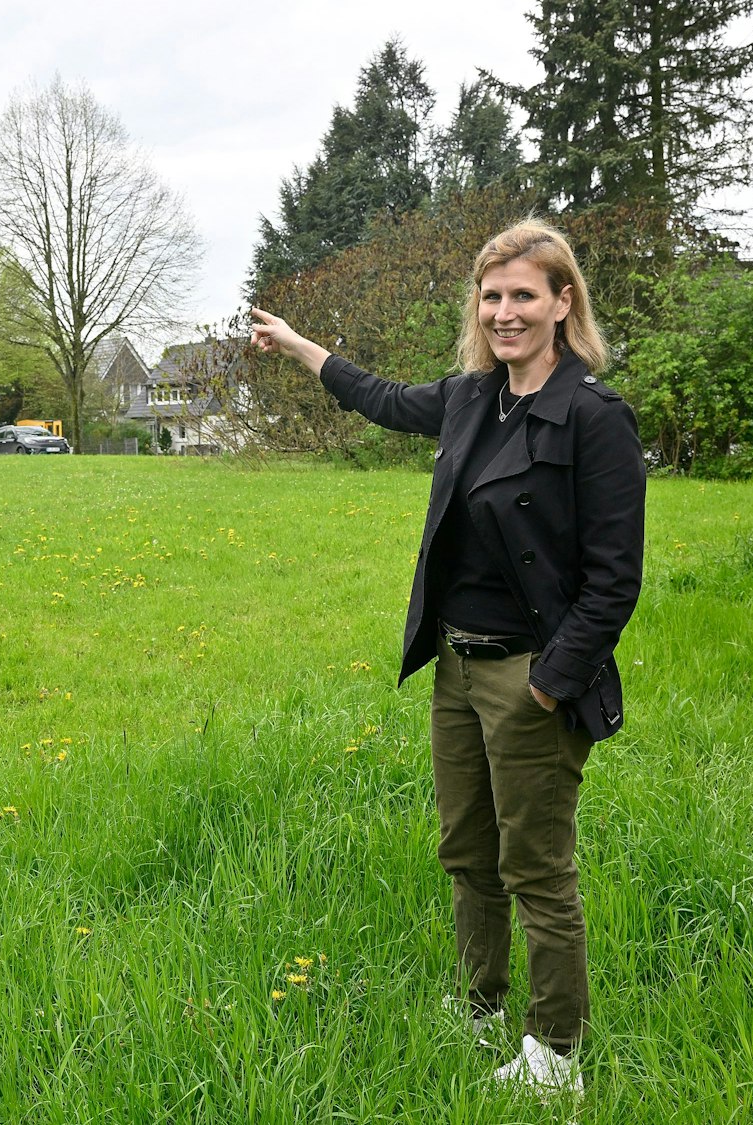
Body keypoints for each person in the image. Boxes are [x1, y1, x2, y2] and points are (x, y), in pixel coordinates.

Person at [248, 219, 645, 1099]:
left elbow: (616, 582)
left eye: (524, 295)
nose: (505, 312)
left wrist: (547, 685)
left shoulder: (593, 417)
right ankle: (479, 1005)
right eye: (492, 295)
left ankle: (556, 1054)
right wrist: (296, 344)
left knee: (534, 864)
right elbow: (380, 397)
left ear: (562, 301)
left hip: (529, 674)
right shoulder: (473, 397)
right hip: (457, 669)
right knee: (466, 852)